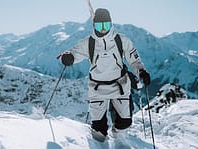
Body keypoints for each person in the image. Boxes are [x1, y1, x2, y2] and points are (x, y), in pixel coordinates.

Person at [60, 8, 151, 142]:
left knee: (125, 122)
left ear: (111, 24)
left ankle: (118, 136)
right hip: (97, 88)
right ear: (94, 25)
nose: (103, 29)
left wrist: (141, 71)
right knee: (98, 132)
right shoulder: (88, 42)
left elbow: (134, 59)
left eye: (106, 25)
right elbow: (75, 53)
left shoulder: (121, 40)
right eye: (99, 25)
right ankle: (101, 142)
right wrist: (69, 58)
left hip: (120, 85)